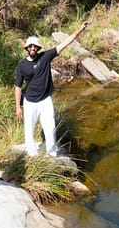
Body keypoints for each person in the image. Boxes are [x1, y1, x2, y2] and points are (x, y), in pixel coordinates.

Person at [15, 22, 89, 157]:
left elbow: (64, 44)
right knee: (29, 129)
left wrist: (79, 30)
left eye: (34, 46)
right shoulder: (21, 66)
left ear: (37, 48)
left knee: (50, 128)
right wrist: (18, 107)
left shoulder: (45, 57)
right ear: (27, 48)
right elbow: (18, 87)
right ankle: (32, 155)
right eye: (30, 46)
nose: (32, 48)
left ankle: (52, 153)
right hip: (30, 102)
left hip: (45, 100)